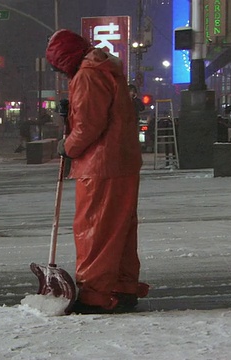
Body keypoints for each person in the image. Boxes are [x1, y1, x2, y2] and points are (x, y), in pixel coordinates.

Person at [46, 29, 148, 314]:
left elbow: (89, 126)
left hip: (100, 165)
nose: (59, 71)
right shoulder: (105, 70)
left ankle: (94, 294)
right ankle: (123, 286)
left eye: (57, 65)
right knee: (121, 229)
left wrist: (67, 146)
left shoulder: (88, 75)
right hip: (122, 161)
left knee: (95, 229)